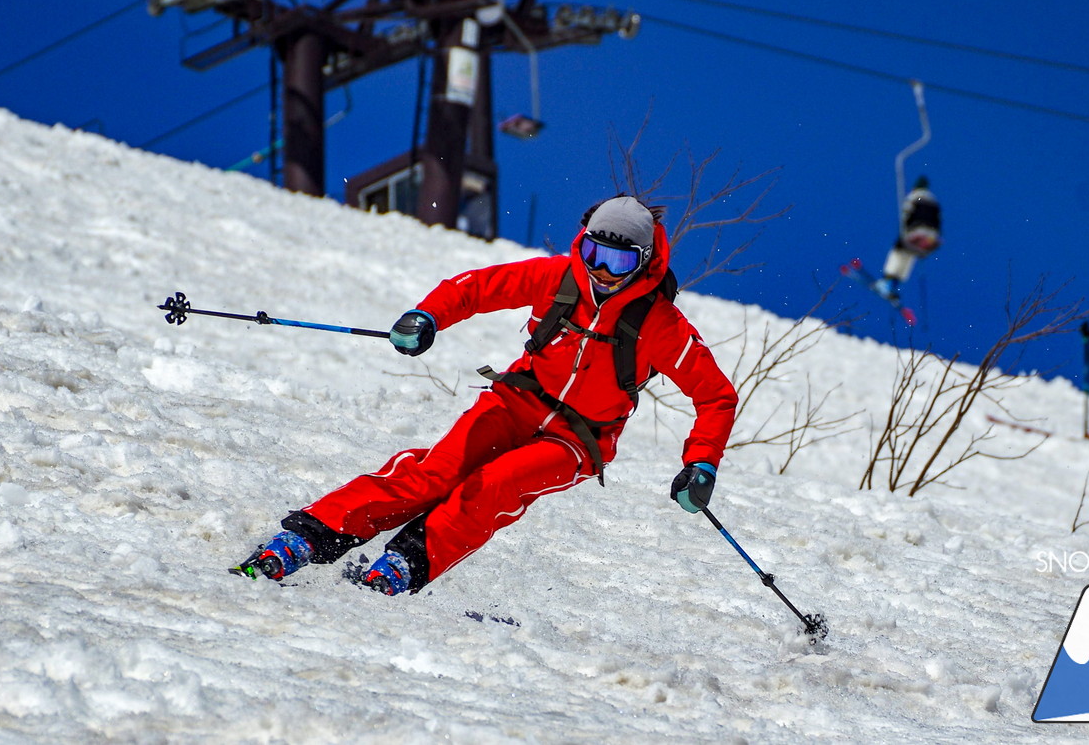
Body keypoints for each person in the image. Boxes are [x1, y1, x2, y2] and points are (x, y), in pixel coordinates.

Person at [232, 195, 739, 594]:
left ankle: (406, 563)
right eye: (592, 253)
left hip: (577, 439)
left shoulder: (660, 323)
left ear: (645, 262)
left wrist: (702, 464)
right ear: (580, 244)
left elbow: (715, 396)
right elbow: (474, 288)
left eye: (617, 259)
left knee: (495, 485)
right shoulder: (557, 279)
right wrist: (426, 316)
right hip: (517, 401)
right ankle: (311, 534)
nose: (602, 271)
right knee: (436, 472)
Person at [876, 175, 941, 297]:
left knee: (899, 250)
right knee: (910, 253)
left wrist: (904, 226)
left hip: (917, 231)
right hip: (931, 237)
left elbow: (906, 212)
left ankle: (887, 282)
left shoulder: (914, 196)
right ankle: (895, 283)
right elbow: (938, 220)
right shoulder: (934, 201)